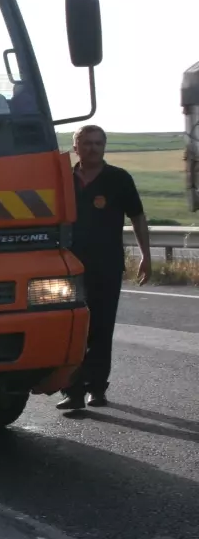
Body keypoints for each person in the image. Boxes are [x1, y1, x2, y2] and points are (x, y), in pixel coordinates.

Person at [57, 124, 152, 410]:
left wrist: (146, 255)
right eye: (86, 143)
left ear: (105, 146)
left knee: (101, 327)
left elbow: (137, 217)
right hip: (65, 269)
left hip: (106, 265)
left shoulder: (118, 179)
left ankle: (97, 388)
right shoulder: (62, 179)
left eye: (98, 143)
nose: (92, 148)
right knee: (71, 329)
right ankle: (71, 392)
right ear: (76, 147)